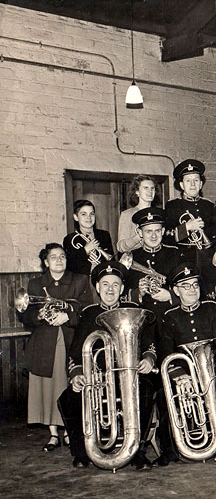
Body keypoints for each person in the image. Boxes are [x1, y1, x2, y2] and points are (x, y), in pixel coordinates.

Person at [57, 261, 156, 469]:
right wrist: (77, 375)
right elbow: (75, 353)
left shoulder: (135, 310)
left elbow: (149, 344)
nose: (110, 289)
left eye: (115, 285)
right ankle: (82, 452)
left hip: (129, 376)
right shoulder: (88, 314)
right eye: (105, 284)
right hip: (98, 378)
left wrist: (148, 359)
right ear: (98, 288)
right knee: (68, 399)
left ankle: (137, 451)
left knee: (146, 390)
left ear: (121, 289)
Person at [159, 263, 216, 463]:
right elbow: (166, 352)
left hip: (214, 372)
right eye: (186, 286)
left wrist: (214, 374)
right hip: (185, 376)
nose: (192, 290)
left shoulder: (214, 309)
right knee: (165, 395)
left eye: (195, 285)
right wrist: (180, 376)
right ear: (176, 290)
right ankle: (170, 449)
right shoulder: (169, 317)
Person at [19, 243, 91, 453]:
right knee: (47, 388)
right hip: (44, 342)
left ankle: (69, 431)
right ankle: (53, 434)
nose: (59, 260)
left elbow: (87, 311)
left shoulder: (79, 280)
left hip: (69, 339)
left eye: (62, 257)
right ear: (45, 262)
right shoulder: (35, 284)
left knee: (65, 386)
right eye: (53, 257)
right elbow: (26, 317)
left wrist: (68, 316)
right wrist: (39, 316)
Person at [127, 207, 180, 319]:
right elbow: (123, 294)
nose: (154, 236)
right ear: (140, 232)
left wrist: (171, 296)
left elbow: (188, 288)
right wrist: (139, 293)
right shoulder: (131, 257)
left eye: (157, 231)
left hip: (170, 316)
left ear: (163, 231)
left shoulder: (174, 254)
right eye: (148, 231)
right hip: (142, 318)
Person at [164, 159, 216, 262]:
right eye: (188, 181)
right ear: (181, 185)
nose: (193, 184)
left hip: (207, 260)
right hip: (182, 260)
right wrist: (186, 227)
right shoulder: (172, 206)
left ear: (201, 184)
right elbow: (166, 238)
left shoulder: (210, 206)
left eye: (196, 180)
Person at [63, 199, 115, 277]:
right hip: (82, 281)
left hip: (103, 277)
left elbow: (110, 259)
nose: (89, 217)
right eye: (84, 214)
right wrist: (86, 250)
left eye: (92, 214)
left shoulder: (104, 235)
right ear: (76, 217)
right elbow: (71, 265)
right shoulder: (69, 239)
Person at [117, 174, 158, 253]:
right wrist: (138, 237)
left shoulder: (159, 214)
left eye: (152, 188)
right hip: (136, 261)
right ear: (137, 192)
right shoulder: (127, 214)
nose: (150, 191)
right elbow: (120, 247)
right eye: (146, 188)